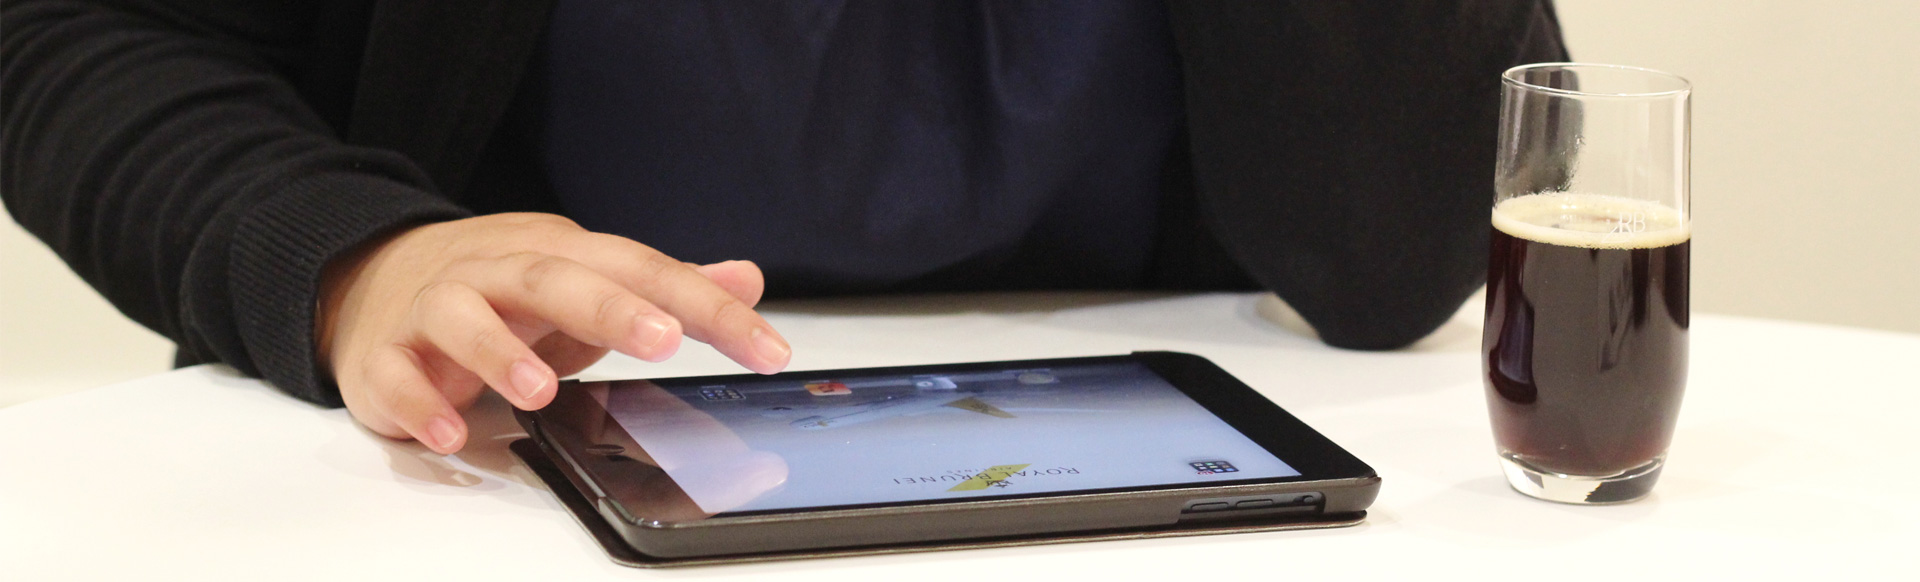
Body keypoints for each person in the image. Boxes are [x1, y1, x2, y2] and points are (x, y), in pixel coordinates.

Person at [1, 1, 1568, 454]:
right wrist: (349, 259)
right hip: (506, 463)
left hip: (1164, 480)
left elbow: (1397, 253)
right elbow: (77, 34)